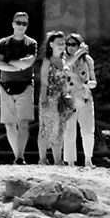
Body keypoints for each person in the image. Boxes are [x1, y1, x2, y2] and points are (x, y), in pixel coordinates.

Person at [0, 12, 40, 162]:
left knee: (24, 123)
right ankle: (17, 155)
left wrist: (9, 63)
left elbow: (28, 63)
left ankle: (20, 157)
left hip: (25, 86)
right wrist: (18, 66)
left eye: (24, 23)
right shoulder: (3, 43)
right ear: (12, 24)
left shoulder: (31, 43)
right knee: (9, 124)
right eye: (18, 22)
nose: (21, 26)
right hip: (6, 85)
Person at [53, 32, 99, 166]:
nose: (70, 47)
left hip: (84, 96)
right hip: (69, 98)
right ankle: (70, 161)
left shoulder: (88, 60)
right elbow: (66, 67)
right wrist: (79, 53)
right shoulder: (62, 58)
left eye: (74, 45)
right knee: (69, 131)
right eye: (68, 44)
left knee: (88, 130)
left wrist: (91, 84)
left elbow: (93, 79)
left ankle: (88, 159)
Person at [34, 30, 69, 164]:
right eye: (59, 43)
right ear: (51, 44)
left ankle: (58, 160)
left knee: (60, 128)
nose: (62, 45)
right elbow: (43, 81)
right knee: (46, 128)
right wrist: (43, 99)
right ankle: (42, 159)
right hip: (49, 98)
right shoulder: (47, 61)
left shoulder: (64, 60)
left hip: (62, 99)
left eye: (63, 43)